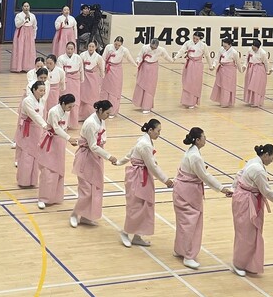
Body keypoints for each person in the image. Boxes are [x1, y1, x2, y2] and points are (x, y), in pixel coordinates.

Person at [231, 144, 273, 277]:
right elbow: (268, 191)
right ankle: (238, 263)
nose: (272, 160)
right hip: (246, 201)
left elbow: (239, 173)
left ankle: (247, 262)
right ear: (266, 155)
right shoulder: (258, 169)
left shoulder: (254, 161)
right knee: (245, 233)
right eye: (272, 157)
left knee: (249, 233)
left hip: (244, 198)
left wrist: (234, 188)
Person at [173, 127, 233, 269]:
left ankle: (180, 249)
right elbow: (204, 176)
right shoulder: (195, 156)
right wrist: (221, 188)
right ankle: (188, 256)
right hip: (187, 193)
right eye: (204, 137)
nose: (206, 139)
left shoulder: (192, 152)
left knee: (184, 223)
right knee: (190, 224)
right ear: (198, 140)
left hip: (182, 190)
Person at [117, 119, 174, 248]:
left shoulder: (145, 140)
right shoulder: (145, 144)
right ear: (150, 130)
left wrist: (120, 162)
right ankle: (125, 232)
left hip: (144, 176)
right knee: (136, 205)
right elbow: (152, 166)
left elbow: (131, 154)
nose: (159, 133)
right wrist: (166, 180)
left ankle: (137, 236)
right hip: (138, 177)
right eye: (158, 131)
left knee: (143, 206)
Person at [70, 100, 119, 228]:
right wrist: (109, 156)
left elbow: (102, 139)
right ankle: (75, 214)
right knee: (86, 189)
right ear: (100, 111)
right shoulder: (91, 123)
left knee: (95, 188)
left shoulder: (101, 120)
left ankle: (87, 216)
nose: (108, 116)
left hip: (96, 157)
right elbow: (92, 146)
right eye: (107, 113)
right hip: (87, 157)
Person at [36, 94, 79, 209]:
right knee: (48, 170)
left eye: (72, 106)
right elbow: (56, 128)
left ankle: (55, 196)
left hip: (60, 142)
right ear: (63, 104)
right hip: (50, 140)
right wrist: (69, 138)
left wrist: (67, 139)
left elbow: (64, 128)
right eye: (70, 106)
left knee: (58, 169)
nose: (71, 109)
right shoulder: (53, 111)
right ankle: (43, 198)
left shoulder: (67, 111)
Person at [15, 80, 49, 188]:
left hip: (37, 129)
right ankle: (23, 181)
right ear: (34, 90)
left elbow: (42, 114)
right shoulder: (27, 101)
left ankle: (33, 180)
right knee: (26, 154)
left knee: (35, 154)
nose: (42, 92)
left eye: (44, 90)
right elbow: (34, 115)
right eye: (40, 90)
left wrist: (44, 126)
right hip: (27, 129)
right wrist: (44, 125)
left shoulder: (42, 101)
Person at [99, 36, 136, 117]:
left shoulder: (124, 50)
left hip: (117, 71)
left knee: (114, 91)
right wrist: (102, 69)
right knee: (105, 90)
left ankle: (112, 111)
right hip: (108, 69)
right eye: (115, 44)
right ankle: (102, 108)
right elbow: (103, 58)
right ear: (114, 42)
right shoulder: (108, 47)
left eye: (119, 45)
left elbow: (129, 58)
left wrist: (135, 65)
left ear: (121, 44)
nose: (116, 46)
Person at [132, 39, 171, 114]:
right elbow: (139, 56)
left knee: (150, 87)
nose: (153, 48)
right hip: (144, 66)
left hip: (153, 67)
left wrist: (172, 60)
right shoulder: (145, 47)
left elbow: (166, 57)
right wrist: (138, 61)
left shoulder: (161, 50)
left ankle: (147, 106)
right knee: (141, 84)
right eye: (151, 47)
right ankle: (140, 103)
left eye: (154, 47)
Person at [175, 31, 208, 109]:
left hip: (198, 65)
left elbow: (207, 55)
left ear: (200, 39)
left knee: (195, 82)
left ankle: (193, 101)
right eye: (194, 38)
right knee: (187, 82)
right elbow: (182, 50)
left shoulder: (203, 45)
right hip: (189, 63)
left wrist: (211, 65)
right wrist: (176, 57)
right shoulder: (188, 43)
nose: (194, 40)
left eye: (197, 39)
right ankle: (186, 100)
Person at [209, 38, 240, 108]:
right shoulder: (221, 49)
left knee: (227, 86)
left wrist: (241, 70)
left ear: (230, 45)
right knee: (221, 85)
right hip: (222, 69)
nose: (224, 47)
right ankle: (221, 100)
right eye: (223, 45)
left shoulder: (234, 52)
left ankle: (226, 102)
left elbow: (237, 62)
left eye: (225, 46)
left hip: (230, 70)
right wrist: (213, 65)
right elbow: (217, 58)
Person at [58, 42, 83, 128]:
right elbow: (60, 71)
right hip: (65, 80)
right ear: (66, 48)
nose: (70, 50)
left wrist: (81, 79)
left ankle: (72, 123)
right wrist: (61, 82)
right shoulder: (61, 58)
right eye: (68, 48)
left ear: (74, 49)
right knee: (65, 101)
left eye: (71, 49)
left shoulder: (78, 58)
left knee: (75, 102)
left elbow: (81, 70)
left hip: (75, 81)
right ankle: (63, 122)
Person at [79, 41, 103, 121]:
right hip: (84, 77)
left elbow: (101, 69)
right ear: (87, 46)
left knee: (93, 95)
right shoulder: (82, 55)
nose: (91, 48)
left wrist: (101, 80)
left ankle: (92, 115)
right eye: (90, 46)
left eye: (93, 47)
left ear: (95, 47)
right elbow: (80, 67)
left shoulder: (98, 57)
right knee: (83, 94)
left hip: (94, 78)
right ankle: (81, 115)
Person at [242, 39, 271, 108]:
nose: (253, 48)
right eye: (252, 46)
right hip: (250, 68)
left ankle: (256, 101)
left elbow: (266, 63)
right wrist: (244, 65)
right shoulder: (250, 50)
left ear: (258, 47)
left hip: (259, 69)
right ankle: (250, 100)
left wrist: (267, 71)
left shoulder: (263, 53)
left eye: (254, 47)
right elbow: (246, 58)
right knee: (249, 84)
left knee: (256, 85)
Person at [11, 1, 37, 73]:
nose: (26, 8)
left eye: (27, 6)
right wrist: (24, 19)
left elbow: (35, 26)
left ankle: (27, 67)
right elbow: (17, 25)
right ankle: (18, 67)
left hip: (30, 34)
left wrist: (34, 36)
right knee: (20, 49)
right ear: (22, 7)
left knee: (28, 50)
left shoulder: (32, 16)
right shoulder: (19, 15)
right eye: (25, 6)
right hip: (21, 33)